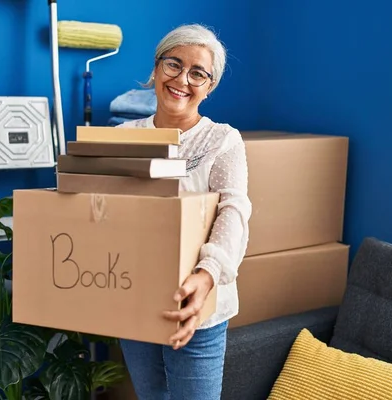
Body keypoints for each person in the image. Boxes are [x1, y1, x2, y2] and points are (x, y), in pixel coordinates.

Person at [115, 24, 252, 399]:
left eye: (198, 73)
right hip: (135, 299)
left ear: (210, 87)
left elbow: (233, 210)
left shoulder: (223, 139)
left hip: (199, 307)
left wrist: (207, 275)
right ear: (157, 69)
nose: (182, 80)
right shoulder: (125, 136)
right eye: (173, 65)